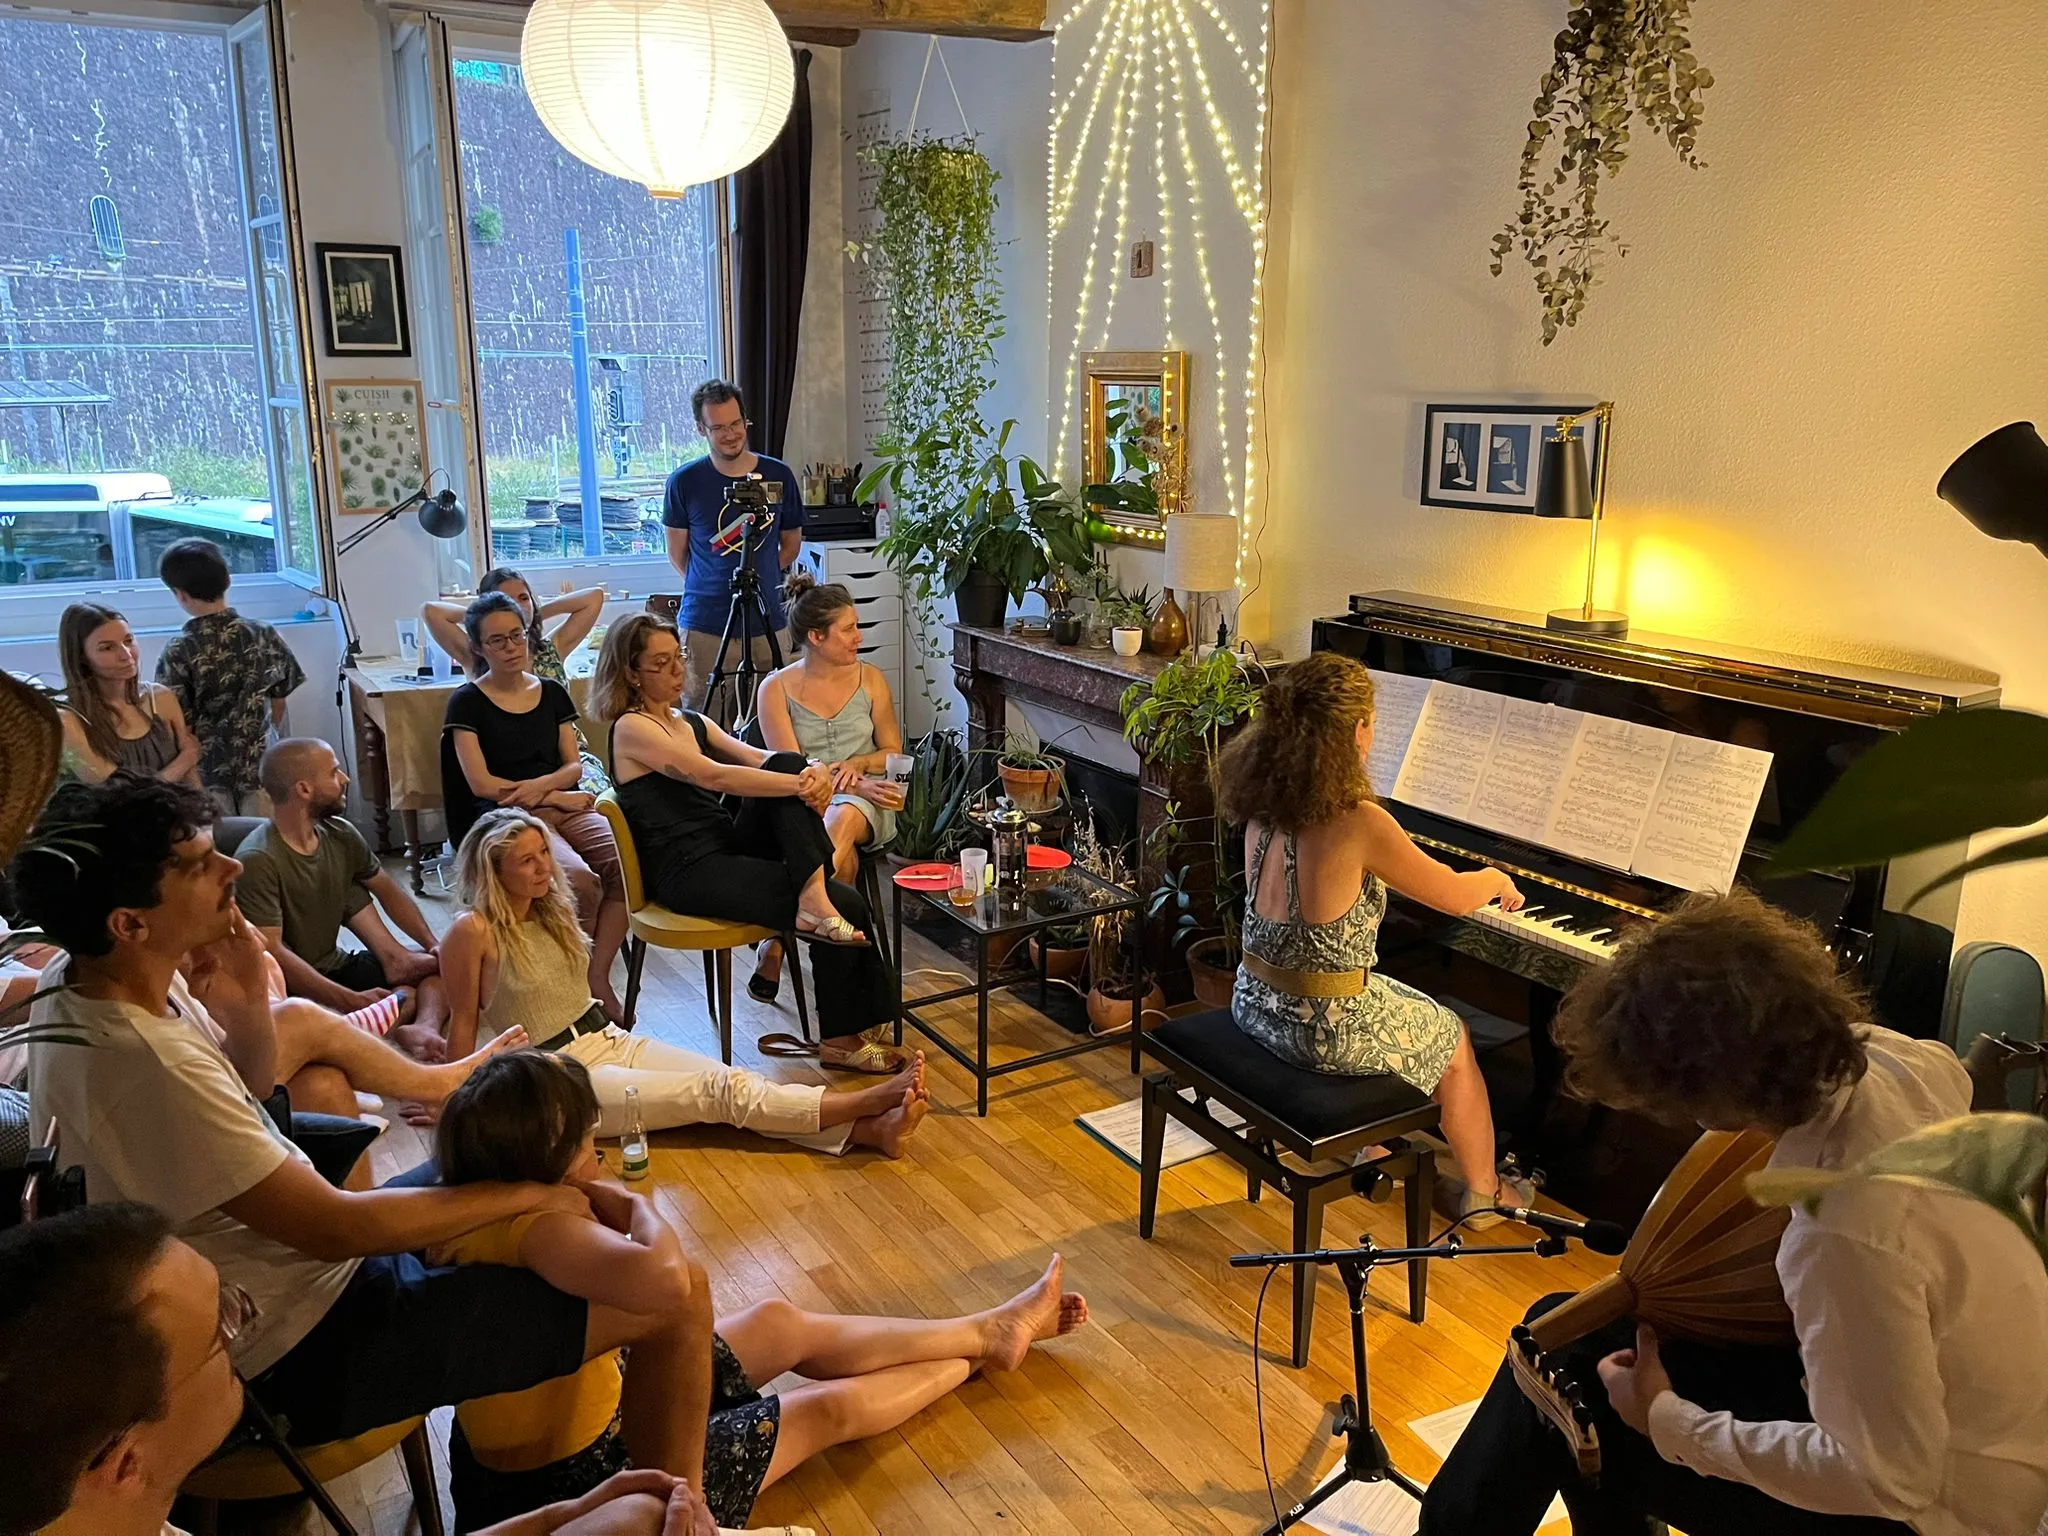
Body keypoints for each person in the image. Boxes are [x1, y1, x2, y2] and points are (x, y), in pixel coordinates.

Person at [13, 775, 724, 1523]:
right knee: (676, 1295)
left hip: (279, 1280)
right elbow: (337, 1229)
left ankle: (591, 1463)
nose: (230, 867)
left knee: (539, 1162)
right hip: (290, 1346)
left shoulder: (90, 978)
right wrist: (527, 1193)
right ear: (130, 922)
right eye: (197, 864)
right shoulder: (145, 1066)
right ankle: (682, 1517)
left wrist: (250, 998)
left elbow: (246, 1092)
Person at [1418, 891, 2048, 1536]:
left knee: (1568, 1375)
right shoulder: (1899, 1057)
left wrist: (1667, 1421)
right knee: (1570, 1334)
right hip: (1995, 1426)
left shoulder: (1844, 1232)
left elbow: (1889, 1478)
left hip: (1944, 1511)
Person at [429, 1051, 1089, 1531]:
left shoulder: (467, 1208)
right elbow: (671, 1281)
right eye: (586, 1142)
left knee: (778, 1321)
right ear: (548, 1158)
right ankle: (979, 1353)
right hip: (586, 1480)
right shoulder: (544, 1229)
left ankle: (988, 1330)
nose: (596, 1149)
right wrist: (633, 1206)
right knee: (820, 1411)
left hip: (577, 1428)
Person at [0, 1203, 721, 1536]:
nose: (242, 1323)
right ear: (125, 1461)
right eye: (220, 1333)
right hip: (345, 1327)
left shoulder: (100, 1512)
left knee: (632, 1515)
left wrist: (557, 1518)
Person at [1213, 652, 1531, 1224]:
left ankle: (1376, 1147)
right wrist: (1495, 877)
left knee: (1386, 997)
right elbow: (1455, 896)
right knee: (1453, 1039)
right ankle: (1486, 1194)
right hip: (1319, 1033)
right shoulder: (1358, 821)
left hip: (1255, 1002)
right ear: (1357, 730)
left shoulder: (1263, 804)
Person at [443, 808, 927, 1155]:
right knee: (713, 1093)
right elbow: (462, 1025)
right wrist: (452, 1104)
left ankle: (868, 1133)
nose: (544, 868)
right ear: (493, 871)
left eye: (543, 853)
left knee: (732, 1082)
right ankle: (862, 1104)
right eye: (526, 861)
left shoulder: (551, 911)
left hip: (606, 1038)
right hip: (554, 1079)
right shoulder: (473, 932)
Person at [589, 614, 904, 1075]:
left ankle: (813, 900)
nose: (678, 670)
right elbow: (712, 776)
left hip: (724, 845)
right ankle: (840, 1038)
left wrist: (812, 770)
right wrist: (800, 785)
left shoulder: (689, 721)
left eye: (678, 657)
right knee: (846, 900)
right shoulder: (631, 728)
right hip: (688, 871)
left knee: (787, 761)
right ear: (631, 673)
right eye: (661, 663)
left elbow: (760, 758)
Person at [445, 592, 628, 1023]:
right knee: (580, 881)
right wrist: (554, 796)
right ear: (478, 648)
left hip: (561, 803)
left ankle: (594, 974)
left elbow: (572, 765)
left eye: (517, 636)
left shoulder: (550, 691)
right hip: (507, 817)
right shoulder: (467, 701)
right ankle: (566, 981)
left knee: (627, 865)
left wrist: (548, 791)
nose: (512, 647)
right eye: (497, 641)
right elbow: (482, 784)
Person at [235, 738, 450, 1059]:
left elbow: (387, 889)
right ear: (304, 789)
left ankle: (422, 1029)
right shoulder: (258, 859)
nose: (345, 779)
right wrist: (350, 999)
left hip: (336, 965)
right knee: (401, 998)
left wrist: (433, 945)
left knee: (440, 972)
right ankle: (351, 1030)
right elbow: (275, 954)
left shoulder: (339, 833)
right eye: (334, 772)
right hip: (296, 989)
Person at [752, 574, 906, 1004]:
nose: (860, 637)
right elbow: (791, 770)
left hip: (868, 800)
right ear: (816, 637)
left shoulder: (871, 679)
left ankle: (779, 933)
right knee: (845, 864)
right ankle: (845, 997)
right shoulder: (775, 689)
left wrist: (858, 768)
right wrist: (834, 779)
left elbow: (892, 752)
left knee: (845, 813)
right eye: (849, 629)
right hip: (806, 803)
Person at [660, 379, 806, 719]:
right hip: (705, 623)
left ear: (745, 420)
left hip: (768, 618)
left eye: (736, 423)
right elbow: (677, 555)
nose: (731, 434)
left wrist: (760, 573)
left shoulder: (777, 475)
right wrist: (712, 580)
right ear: (701, 429)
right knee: (702, 719)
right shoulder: (684, 482)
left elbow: (791, 545)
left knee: (771, 720)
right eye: (719, 427)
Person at [153, 536, 306, 817]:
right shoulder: (264, 634)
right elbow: (279, 703)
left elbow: (177, 724)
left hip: (207, 772)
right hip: (261, 762)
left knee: (222, 839)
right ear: (227, 581)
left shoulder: (178, 649)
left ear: (180, 594)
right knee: (265, 837)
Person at [53, 602, 201, 786]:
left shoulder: (161, 698)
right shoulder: (68, 720)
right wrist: (186, 759)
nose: (126, 655)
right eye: (107, 648)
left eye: (128, 641)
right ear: (81, 656)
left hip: (181, 803)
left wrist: (206, 804)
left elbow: (192, 782)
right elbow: (118, 794)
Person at [423, 566, 608, 686]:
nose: (517, 607)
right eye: (507, 600)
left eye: (523, 598)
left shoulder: (551, 650)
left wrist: (535, 614)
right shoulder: (476, 655)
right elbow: (431, 611)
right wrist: (484, 618)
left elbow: (594, 597)